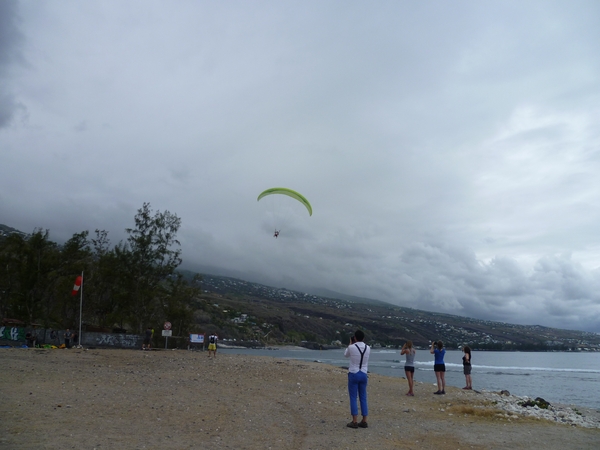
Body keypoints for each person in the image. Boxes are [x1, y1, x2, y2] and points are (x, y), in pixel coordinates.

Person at [344, 330, 370, 429]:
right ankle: (364, 420)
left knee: (353, 397)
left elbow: (346, 355)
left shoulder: (351, 347)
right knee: (363, 397)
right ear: (363, 338)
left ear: (355, 337)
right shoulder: (368, 348)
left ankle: (354, 421)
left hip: (354, 373)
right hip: (363, 373)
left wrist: (350, 343)